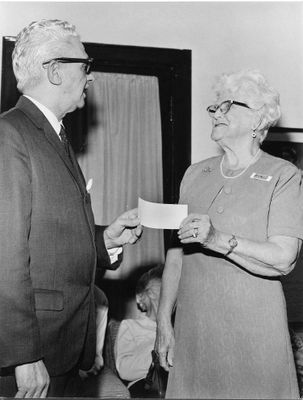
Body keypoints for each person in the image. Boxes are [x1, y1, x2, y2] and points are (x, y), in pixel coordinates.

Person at [0, 19, 142, 398]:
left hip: (61, 347)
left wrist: (103, 240)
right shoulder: (10, 135)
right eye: (86, 64)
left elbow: (47, 236)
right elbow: (4, 253)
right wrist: (23, 357)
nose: (90, 77)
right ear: (56, 71)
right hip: (33, 354)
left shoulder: (52, 135)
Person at [156, 69, 303, 399]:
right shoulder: (194, 175)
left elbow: (283, 258)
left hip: (253, 334)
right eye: (215, 107)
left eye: (227, 106)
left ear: (257, 120)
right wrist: (164, 321)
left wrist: (215, 239)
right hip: (195, 331)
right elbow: (176, 257)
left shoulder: (283, 175)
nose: (216, 113)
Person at [115, 265, 163, 397]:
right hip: (146, 386)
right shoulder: (130, 326)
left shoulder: (179, 327)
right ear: (140, 297)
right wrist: (158, 357)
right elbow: (124, 370)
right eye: (157, 289)